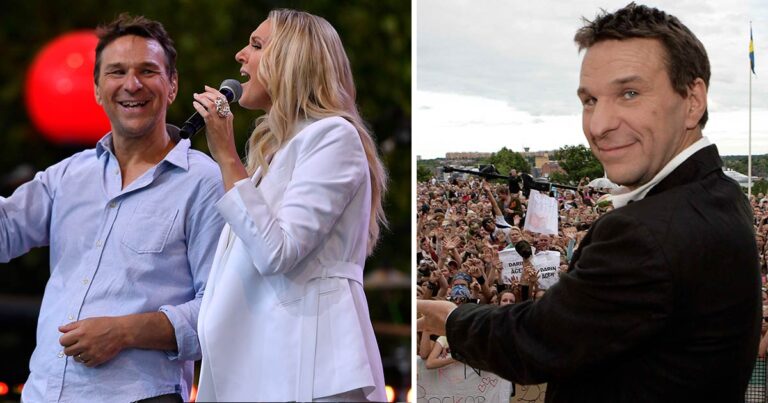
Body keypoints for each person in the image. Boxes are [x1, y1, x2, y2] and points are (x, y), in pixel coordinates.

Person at [418, 3, 760, 402]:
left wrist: (455, 319)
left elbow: (539, 341)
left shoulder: (644, 232)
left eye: (629, 93)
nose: (598, 126)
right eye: (590, 100)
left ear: (692, 100)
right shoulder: (720, 194)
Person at [0, 14, 224, 403]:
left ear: (172, 86)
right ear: (98, 90)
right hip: (43, 393)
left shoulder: (206, 183)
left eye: (148, 71)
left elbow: (221, 311)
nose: (132, 84)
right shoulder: (68, 175)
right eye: (117, 71)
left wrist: (125, 331)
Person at [193, 9, 387, 402]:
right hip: (262, 364)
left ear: (293, 60)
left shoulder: (333, 136)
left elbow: (277, 251)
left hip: (307, 368)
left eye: (257, 45)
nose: (240, 55)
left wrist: (227, 157)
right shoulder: (278, 152)